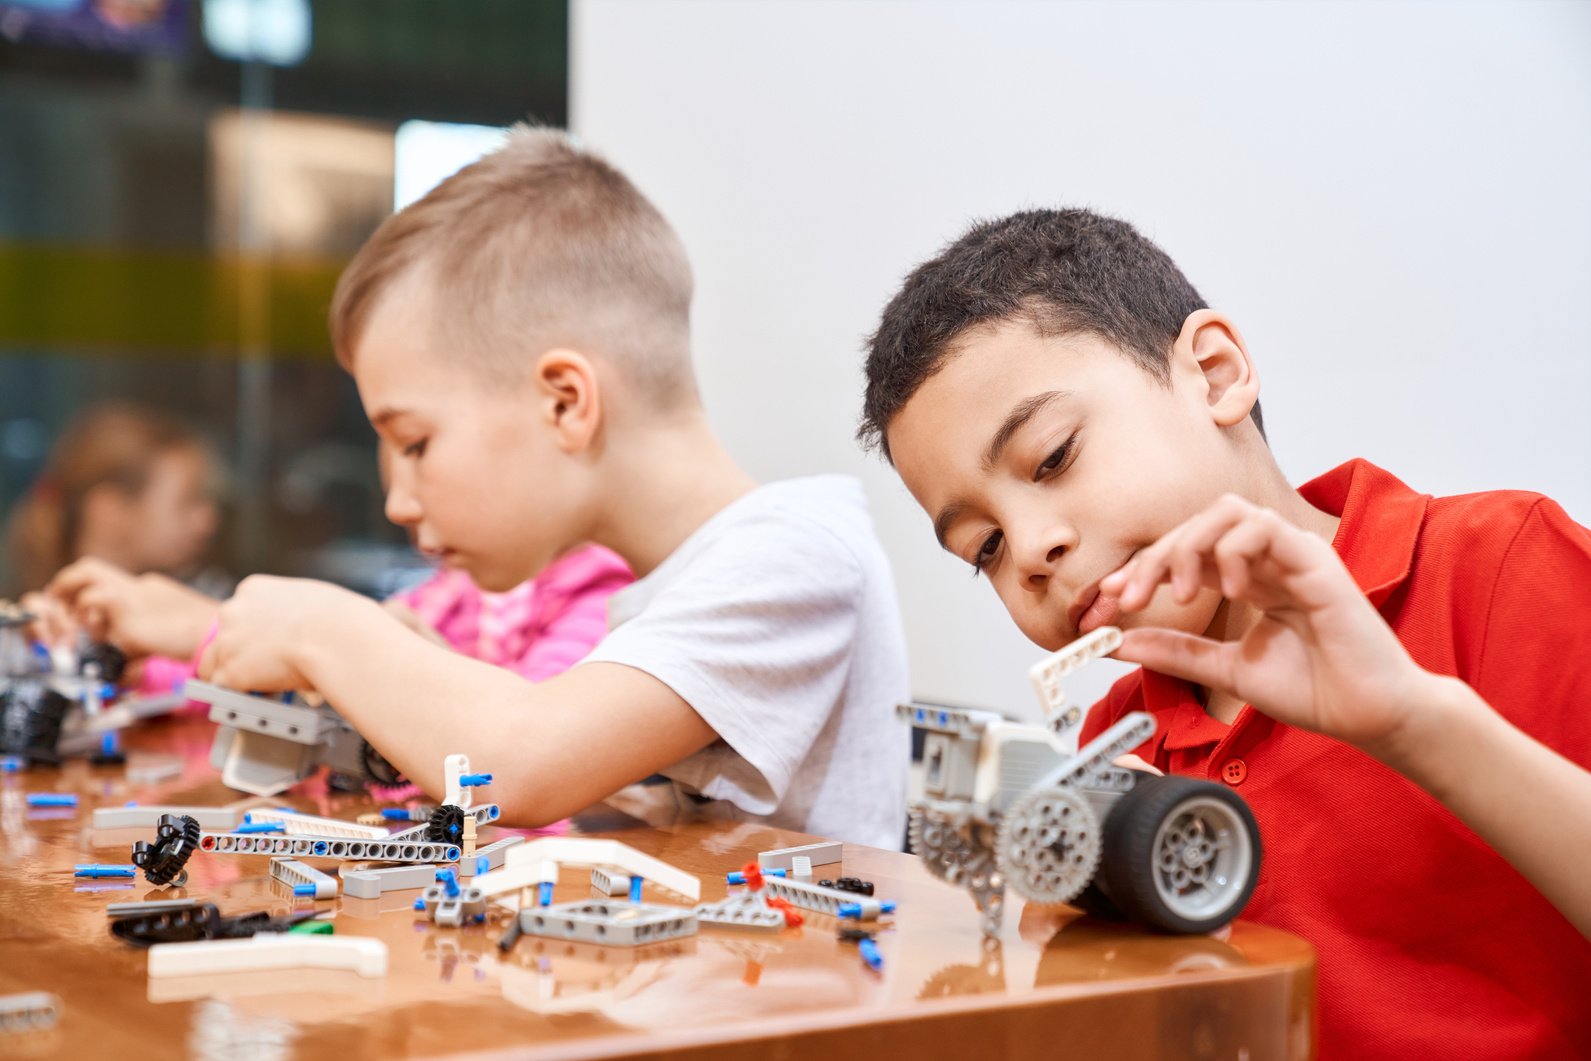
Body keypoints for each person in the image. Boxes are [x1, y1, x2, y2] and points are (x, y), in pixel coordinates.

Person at [858, 208, 1591, 1059]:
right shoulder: (1117, 744)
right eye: (981, 548)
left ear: (1213, 373)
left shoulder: (1499, 566)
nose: (1028, 550)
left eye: (1053, 456)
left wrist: (1410, 721)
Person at [73, 128, 911, 849]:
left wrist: (326, 627)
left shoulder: (798, 553)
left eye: (415, 441)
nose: (398, 500)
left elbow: (523, 762)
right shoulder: (667, 591)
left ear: (564, 401)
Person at [5, 402, 220, 598]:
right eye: (187, 501)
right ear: (110, 510)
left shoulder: (204, 597)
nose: (208, 520)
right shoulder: (33, 626)